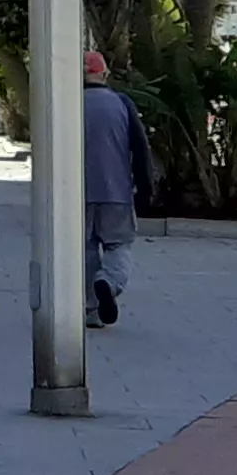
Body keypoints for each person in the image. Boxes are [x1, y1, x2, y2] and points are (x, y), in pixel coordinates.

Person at [81, 49, 156, 327]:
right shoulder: (122, 103)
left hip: (77, 194)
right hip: (117, 192)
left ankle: (91, 310)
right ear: (104, 74)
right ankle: (109, 282)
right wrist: (146, 188)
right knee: (118, 244)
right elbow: (140, 147)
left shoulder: (67, 105)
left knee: (85, 249)